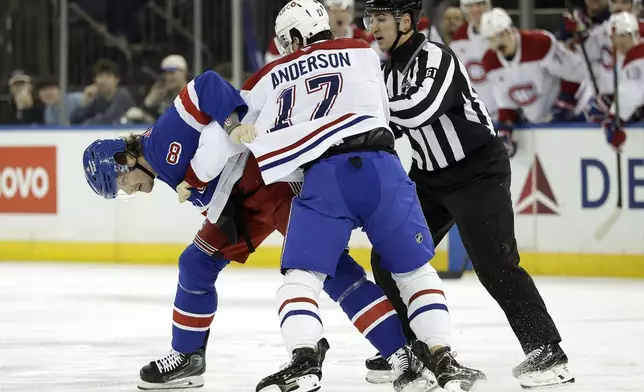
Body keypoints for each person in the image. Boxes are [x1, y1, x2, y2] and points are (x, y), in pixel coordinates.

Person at [82, 70, 437, 391]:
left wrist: (232, 122)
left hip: (275, 185)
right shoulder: (157, 163)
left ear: (123, 160)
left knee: (335, 272)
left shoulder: (161, 140)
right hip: (242, 204)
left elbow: (206, 84)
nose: (127, 191)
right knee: (196, 263)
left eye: (121, 184)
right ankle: (188, 358)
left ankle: (400, 352)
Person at [234, 1, 485, 391]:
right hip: (382, 168)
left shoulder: (272, 74)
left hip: (325, 178)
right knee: (414, 274)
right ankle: (441, 356)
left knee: (301, 279)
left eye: (287, 40)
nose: (285, 47)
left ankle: (303, 359)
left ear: (296, 36)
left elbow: (241, 119)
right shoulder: (361, 51)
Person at [362, 0, 575, 389]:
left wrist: (366, 111)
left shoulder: (436, 57)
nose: (371, 26)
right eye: (369, 18)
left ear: (405, 21)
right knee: (388, 254)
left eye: (380, 18)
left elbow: (419, 108)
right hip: (430, 176)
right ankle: (409, 348)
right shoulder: (384, 70)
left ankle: (547, 351)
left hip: (478, 170)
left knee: (494, 263)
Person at [480, 8, 588, 157]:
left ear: (511, 29)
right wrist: (505, 130)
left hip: (569, 116)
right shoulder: (490, 61)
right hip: (536, 124)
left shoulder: (539, 43)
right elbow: (506, 102)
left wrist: (564, 103)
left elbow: (575, 72)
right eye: (491, 38)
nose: (498, 42)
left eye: (501, 35)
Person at [593, 11, 644, 151]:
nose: (620, 41)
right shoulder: (628, 57)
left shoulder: (637, 57)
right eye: (614, 37)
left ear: (636, 34)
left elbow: (632, 91)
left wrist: (614, 118)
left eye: (624, 35)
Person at [450, 0, 498, 120]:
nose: (476, 9)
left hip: (503, 110)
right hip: (475, 113)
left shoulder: (501, 31)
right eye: (470, 5)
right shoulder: (459, 36)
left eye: (479, 4)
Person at [70, 59, 135, 125]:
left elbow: (109, 120)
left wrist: (87, 123)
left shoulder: (122, 95)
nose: (103, 81)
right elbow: (74, 119)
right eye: (100, 76)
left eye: (108, 76)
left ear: (117, 79)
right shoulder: (99, 99)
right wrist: (86, 102)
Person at [142, 54, 190, 121]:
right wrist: (150, 102)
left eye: (172, 73)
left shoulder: (193, 96)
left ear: (184, 73)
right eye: (165, 73)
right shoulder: (164, 95)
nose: (167, 77)